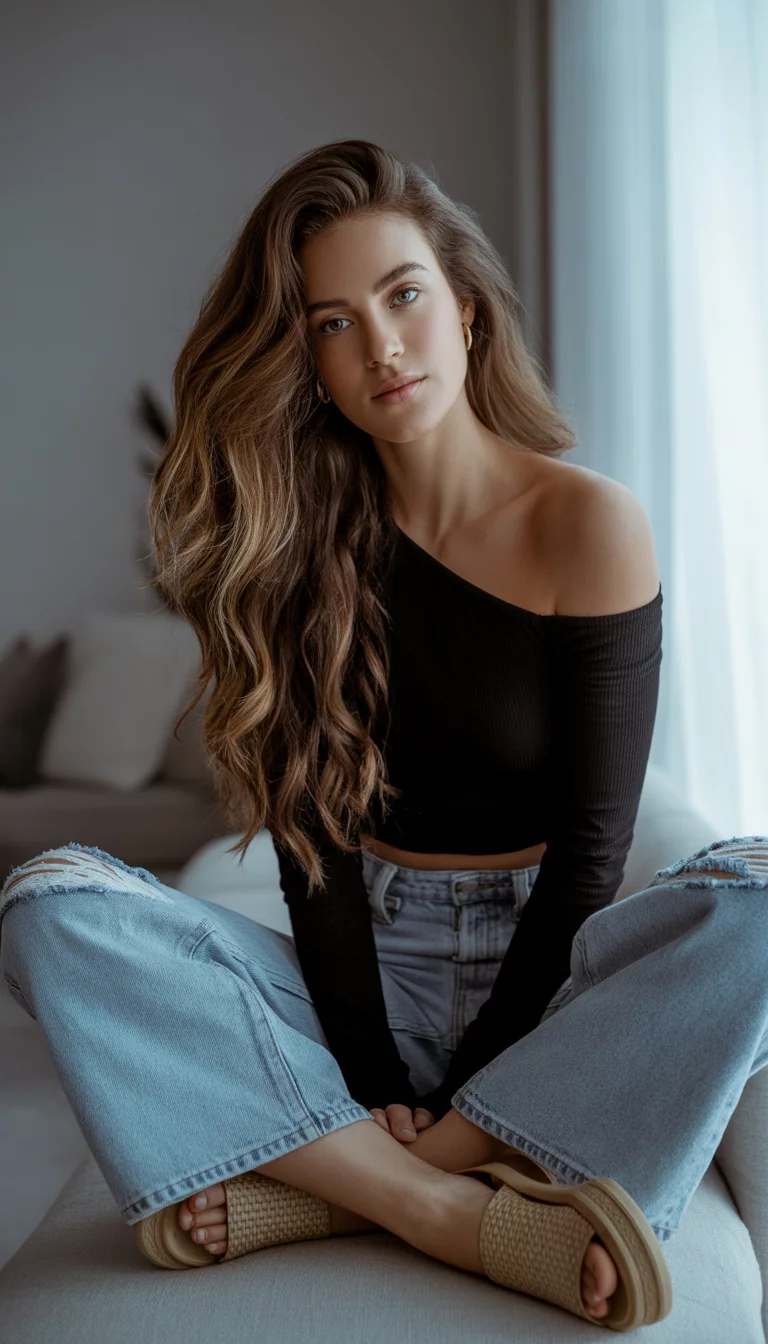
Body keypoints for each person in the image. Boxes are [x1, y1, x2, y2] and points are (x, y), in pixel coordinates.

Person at [2, 139, 768, 1331]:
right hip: (356, 966)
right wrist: (367, 1082)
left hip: (550, 978)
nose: (383, 346)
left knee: (762, 899)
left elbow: (590, 855)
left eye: (402, 297)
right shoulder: (295, 549)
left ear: (464, 308)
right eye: (333, 324)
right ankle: (443, 1208)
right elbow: (313, 852)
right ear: (305, 361)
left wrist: (453, 1109)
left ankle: (331, 1186)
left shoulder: (588, 523)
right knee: (47, 905)